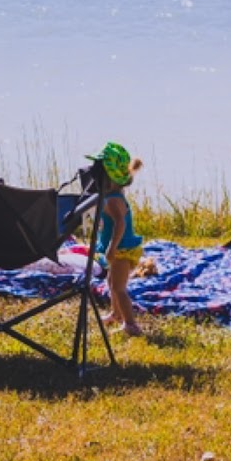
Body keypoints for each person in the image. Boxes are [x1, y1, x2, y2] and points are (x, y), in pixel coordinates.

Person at [88, 141, 149, 335]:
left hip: (121, 249)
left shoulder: (114, 199)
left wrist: (112, 247)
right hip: (117, 246)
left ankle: (131, 324)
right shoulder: (111, 194)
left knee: (119, 288)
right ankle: (116, 314)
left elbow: (120, 224)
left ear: (109, 177)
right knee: (111, 282)